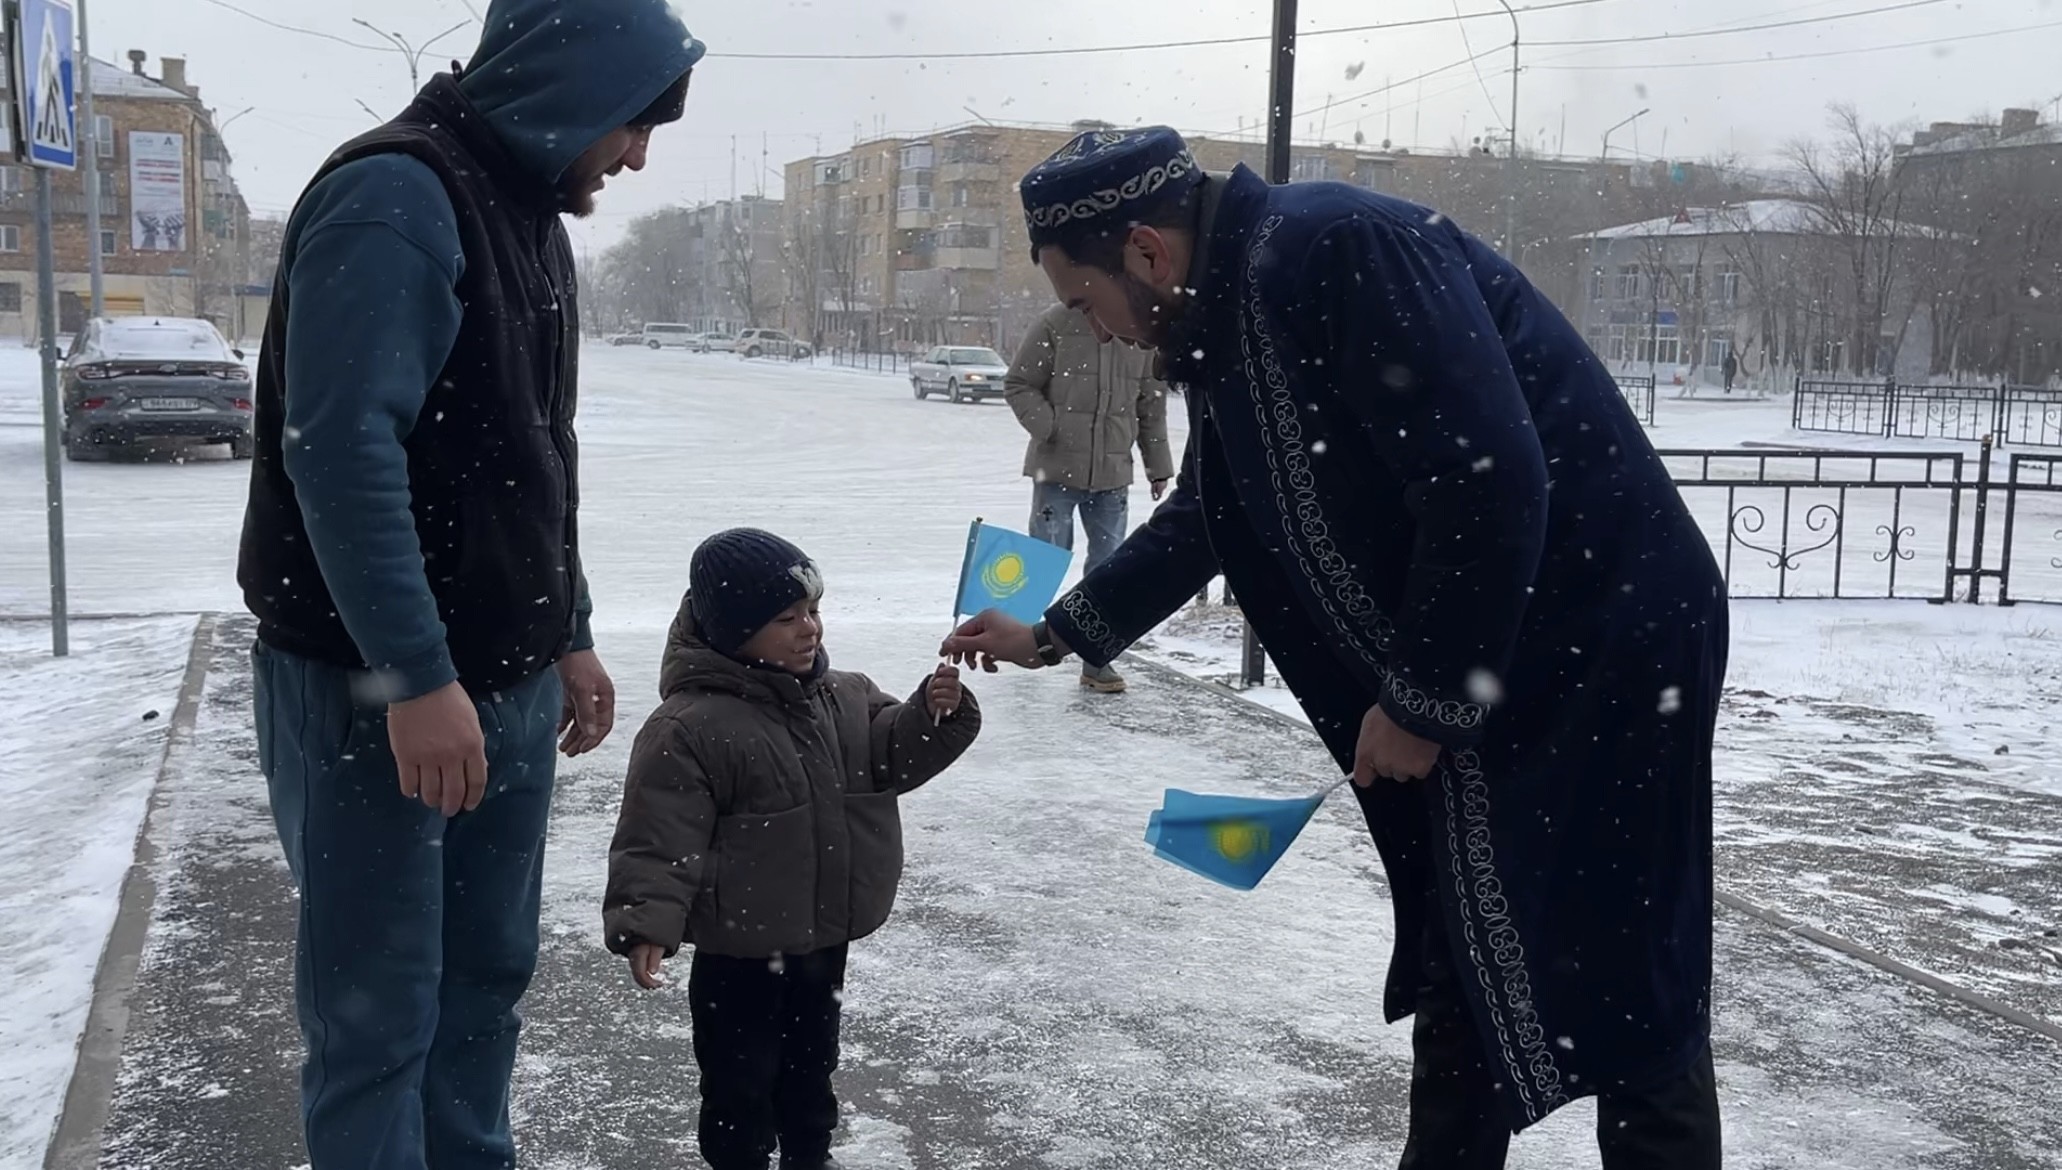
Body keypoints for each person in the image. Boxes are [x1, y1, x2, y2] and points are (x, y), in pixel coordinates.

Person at [943, 126, 1729, 1169]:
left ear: (1145, 251)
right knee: (1464, 952)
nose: (1108, 334)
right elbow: (1211, 511)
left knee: (1626, 984)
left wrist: (1422, 703)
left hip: (1605, 649)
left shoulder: (1337, 247)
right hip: (1509, 651)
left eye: (1087, 303)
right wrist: (1056, 633)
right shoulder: (1232, 307)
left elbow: (1485, 478)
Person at [234, 2, 703, 1165]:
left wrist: (570, 627)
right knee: (376, 1013)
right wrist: (414, 675)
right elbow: (341, 455)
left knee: (486, 981)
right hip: (370, 694)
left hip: (501, 681)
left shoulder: (529, 213)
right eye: (634, 123)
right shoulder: (394, 200)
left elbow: (533, 450)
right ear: (568, 84)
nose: (637, 155)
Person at [603, 529, 981, 1170]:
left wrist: (931, 715)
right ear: (732, 630)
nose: (809, 629)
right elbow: (657, 836)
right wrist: (647, 924)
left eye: (813, 610)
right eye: (786, 618)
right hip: (737, 952)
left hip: (821, 940)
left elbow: (893, 758)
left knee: (812, 1070)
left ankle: (811, 1157)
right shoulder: (690, 726)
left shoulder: (846, 695)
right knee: (738, 1083)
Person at [1003, 302, 1176, 693]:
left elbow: (1151, 405)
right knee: (1044, 558)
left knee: (1108, 569)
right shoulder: (1055, 323)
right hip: (1056, 470)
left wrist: (1158, 466)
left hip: (1113, 475)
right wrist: (1049, 427)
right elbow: (1018, 382)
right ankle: (1022, 639)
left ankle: (1097, 660)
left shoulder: (1138, 329)